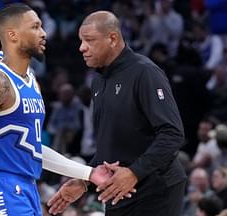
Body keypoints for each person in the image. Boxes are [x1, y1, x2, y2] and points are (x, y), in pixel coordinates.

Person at [0, 4, 111, 216]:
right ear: (12, 35)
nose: (43, 33)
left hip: (23, 186)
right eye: (35, 27)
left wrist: (89, 173)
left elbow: (31, 148)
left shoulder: (29, 79)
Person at [48, 10, 187, 216]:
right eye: (81, 40)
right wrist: (86, 180)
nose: (81, 47)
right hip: (117, 189)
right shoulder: (98, 80)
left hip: (156, 190)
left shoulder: (145, 72)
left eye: (89, 40)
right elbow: (110, 145)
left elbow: (172, 134)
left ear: (112, 38)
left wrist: (134, 173)